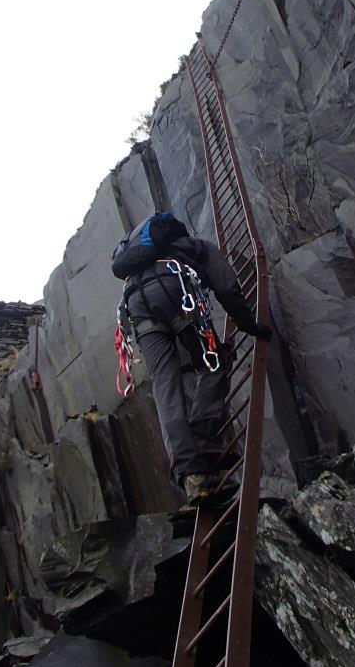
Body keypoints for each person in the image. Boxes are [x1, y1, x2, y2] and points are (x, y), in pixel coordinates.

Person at [112, 214, 271, 505]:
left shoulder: (138, 265)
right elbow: (226, 288)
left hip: (136, 305)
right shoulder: (195, 246)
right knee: (214, 360)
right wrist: (251, 326)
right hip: (176, 290)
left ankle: (191, 475)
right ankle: (202, 437)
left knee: (165, 387)